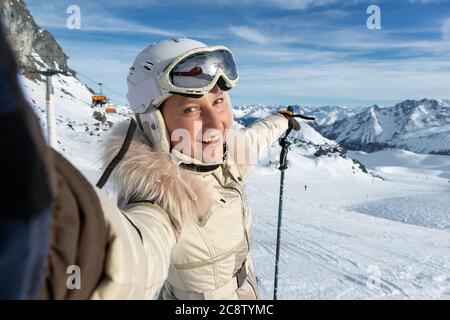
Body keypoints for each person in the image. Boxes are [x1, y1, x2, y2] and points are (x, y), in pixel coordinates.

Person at [1, 31, 300, 299]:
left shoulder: (227, 157)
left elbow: (257, 136)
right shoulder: (161, 198)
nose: (215, 124)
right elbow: (132, 253)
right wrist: (67, 239)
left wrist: (280, 120)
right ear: (154, 122)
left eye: (218, 101)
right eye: (191, 108)